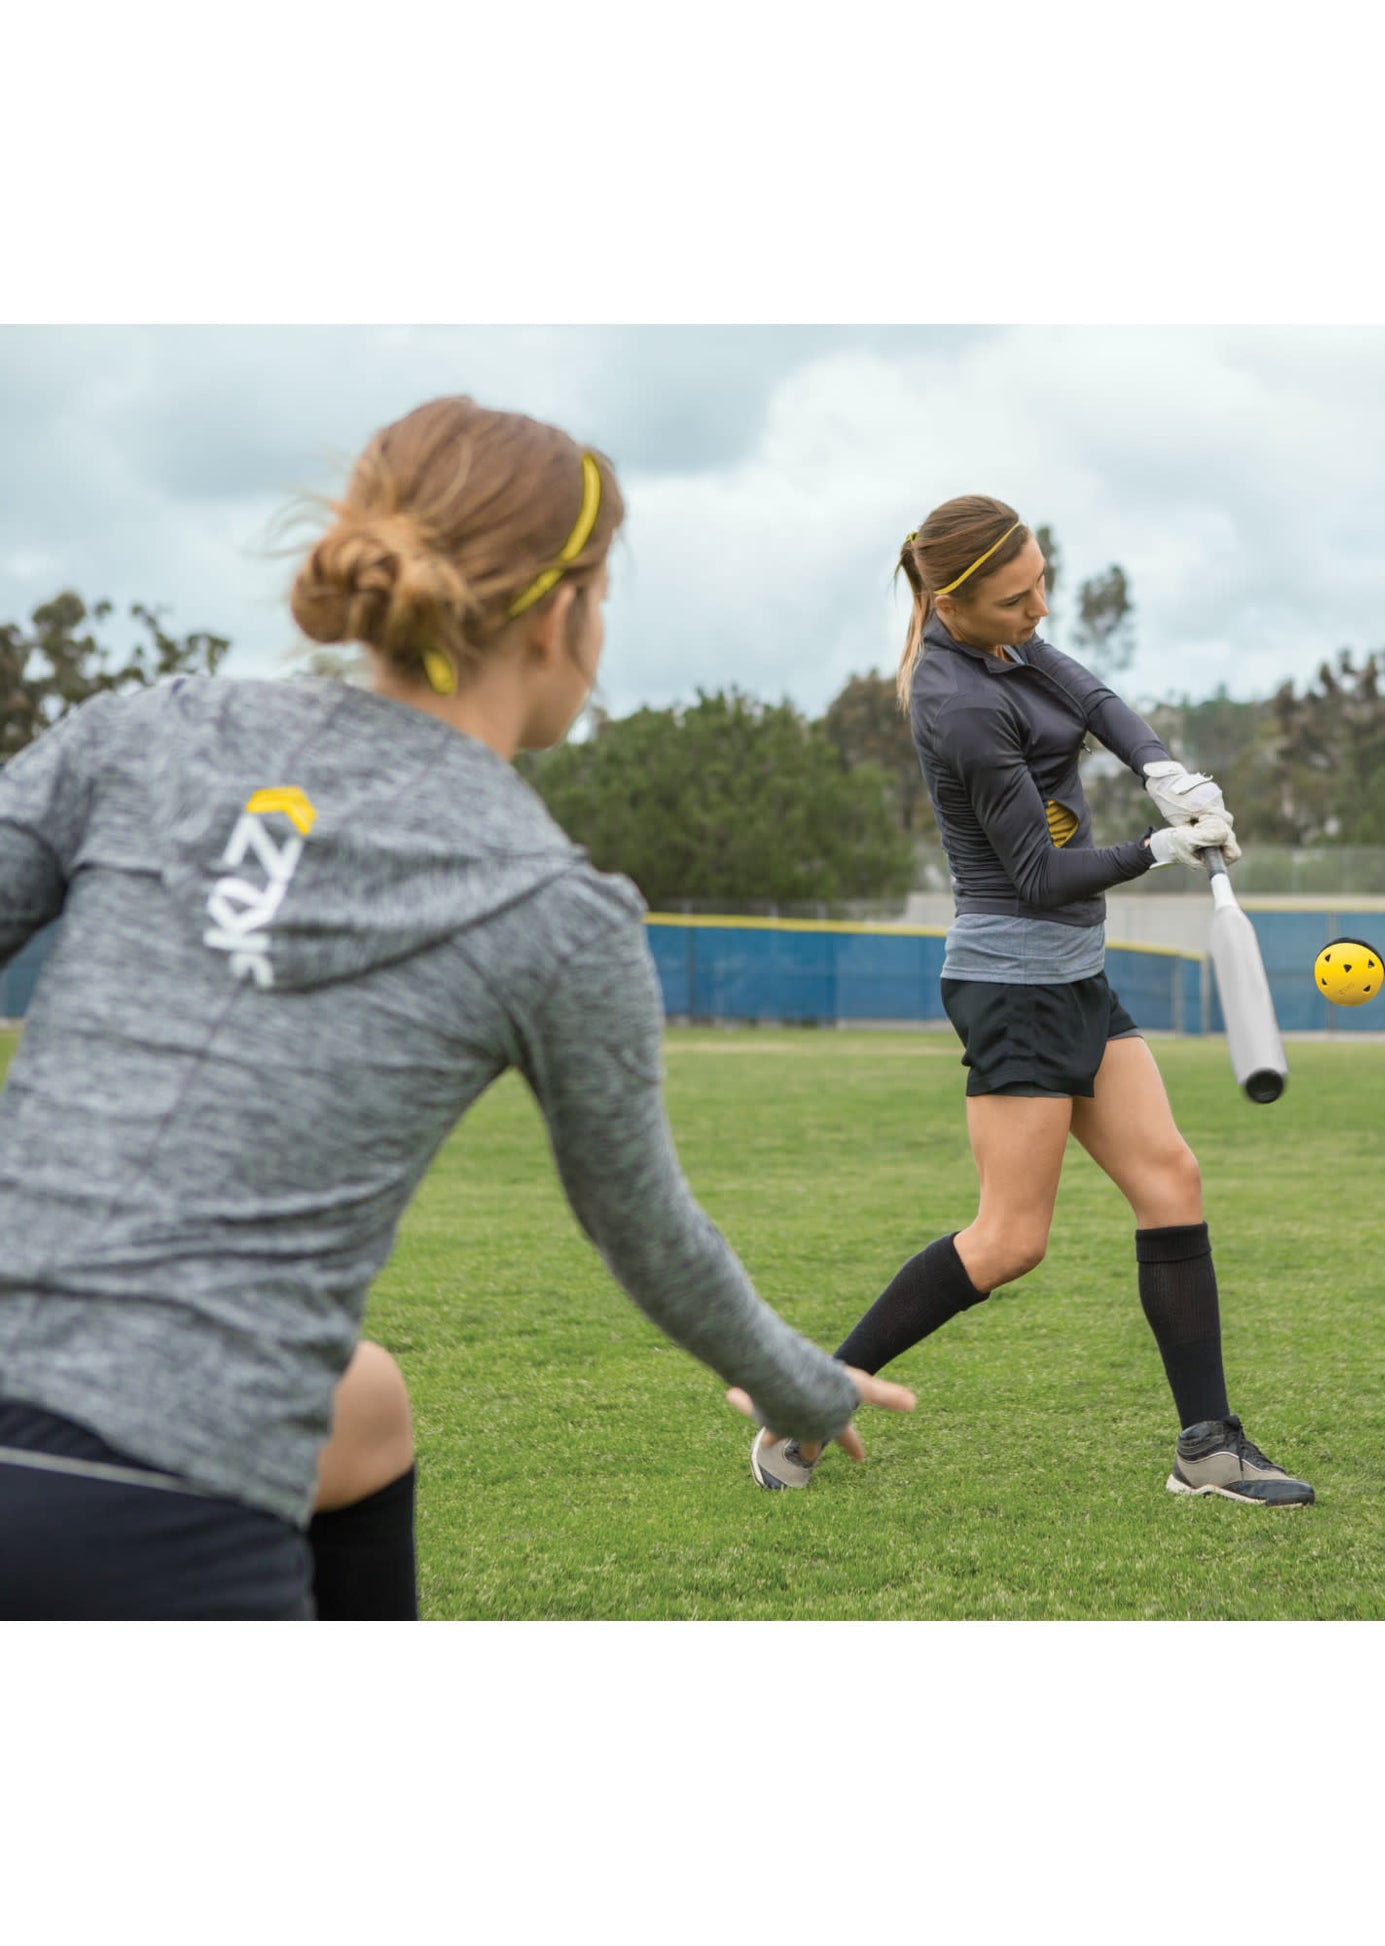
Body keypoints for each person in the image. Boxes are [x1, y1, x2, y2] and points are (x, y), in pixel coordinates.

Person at [0, 395, 911, 1620]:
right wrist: (802, 1387)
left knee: (363, 1399)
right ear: (563, 614)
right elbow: (647, 1235)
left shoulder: (146, 730)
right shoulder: (553, 910)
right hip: (151, 1508)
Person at [748, 496, 1313, 1506]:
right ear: (950, 601)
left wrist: (1159, 768)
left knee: (1170, 1178)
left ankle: (1207, 1447)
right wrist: (1159, 846)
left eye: (1042, 580)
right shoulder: (956, 702)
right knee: (1009, 1239)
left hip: (1073, 977)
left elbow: (1089, 695)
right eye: (1016, 597)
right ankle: (805, 1399)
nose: (1038, 608)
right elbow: (1040, 875)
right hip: (1012, 983)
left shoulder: (1007, 645)